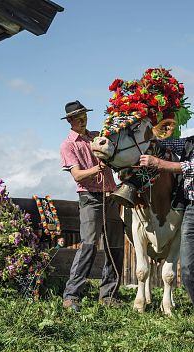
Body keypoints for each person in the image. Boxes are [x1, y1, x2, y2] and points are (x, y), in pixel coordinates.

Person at [60, 100, 125, 311]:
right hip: (89, 198)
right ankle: (71, 296)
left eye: (84, 115)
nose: (83, 119)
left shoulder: (96, 137)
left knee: (115, 245)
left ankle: (109, 295)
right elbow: (77, 175)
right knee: (88, 245)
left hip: (110, 196)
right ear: (69, 120)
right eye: (78, 116)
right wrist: (98, 169)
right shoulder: (68, 145)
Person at [139, 136, 194, 306]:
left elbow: (189, 167)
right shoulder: (189, 143)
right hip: (190, 207)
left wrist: (158, 163)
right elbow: (165, 142)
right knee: (187, 267)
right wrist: (148, 134)